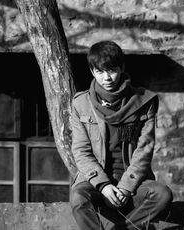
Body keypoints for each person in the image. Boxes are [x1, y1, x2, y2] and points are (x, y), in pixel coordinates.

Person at [70, 41, 173, 230]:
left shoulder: (143, 101)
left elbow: (144, 149)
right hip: (97, 182)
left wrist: (126, 186)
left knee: (162, 194)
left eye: (111, 70)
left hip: (132, 181)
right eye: (99, 71)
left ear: (122, 68)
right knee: (78, 198)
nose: (106, 78)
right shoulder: (81, 103)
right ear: (92, 72)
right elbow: (81, 151)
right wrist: (103, 185)